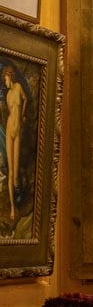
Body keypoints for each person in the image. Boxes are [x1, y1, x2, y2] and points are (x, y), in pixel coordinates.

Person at [1, 65, 26, 224]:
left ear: (11, 76)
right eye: (4, 80)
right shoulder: (8, 95)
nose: (5, 82)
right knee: (10, 171)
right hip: (10, 129)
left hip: (18, 129)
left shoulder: (18, 88)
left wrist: (23, 116)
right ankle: (12, 207)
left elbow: (26, 100)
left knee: (15, 174)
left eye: (6, 79)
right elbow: (7, 114)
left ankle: (18, 187)